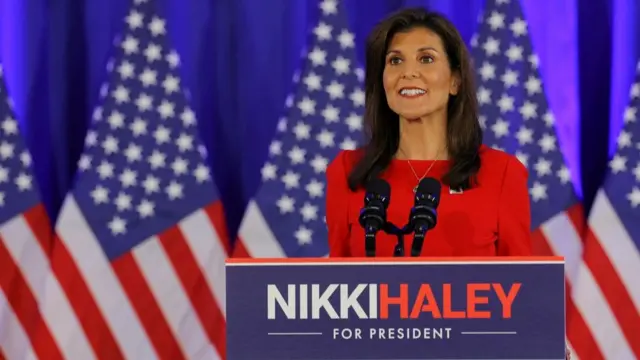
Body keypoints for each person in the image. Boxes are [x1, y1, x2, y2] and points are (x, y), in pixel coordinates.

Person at [325, 7, 532, 258]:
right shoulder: (347, 171)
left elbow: (523, 287)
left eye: (426, 59)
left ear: (455, 81)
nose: (408, 72)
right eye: (395, 60)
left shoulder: (501, 174)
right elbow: (335, 285)